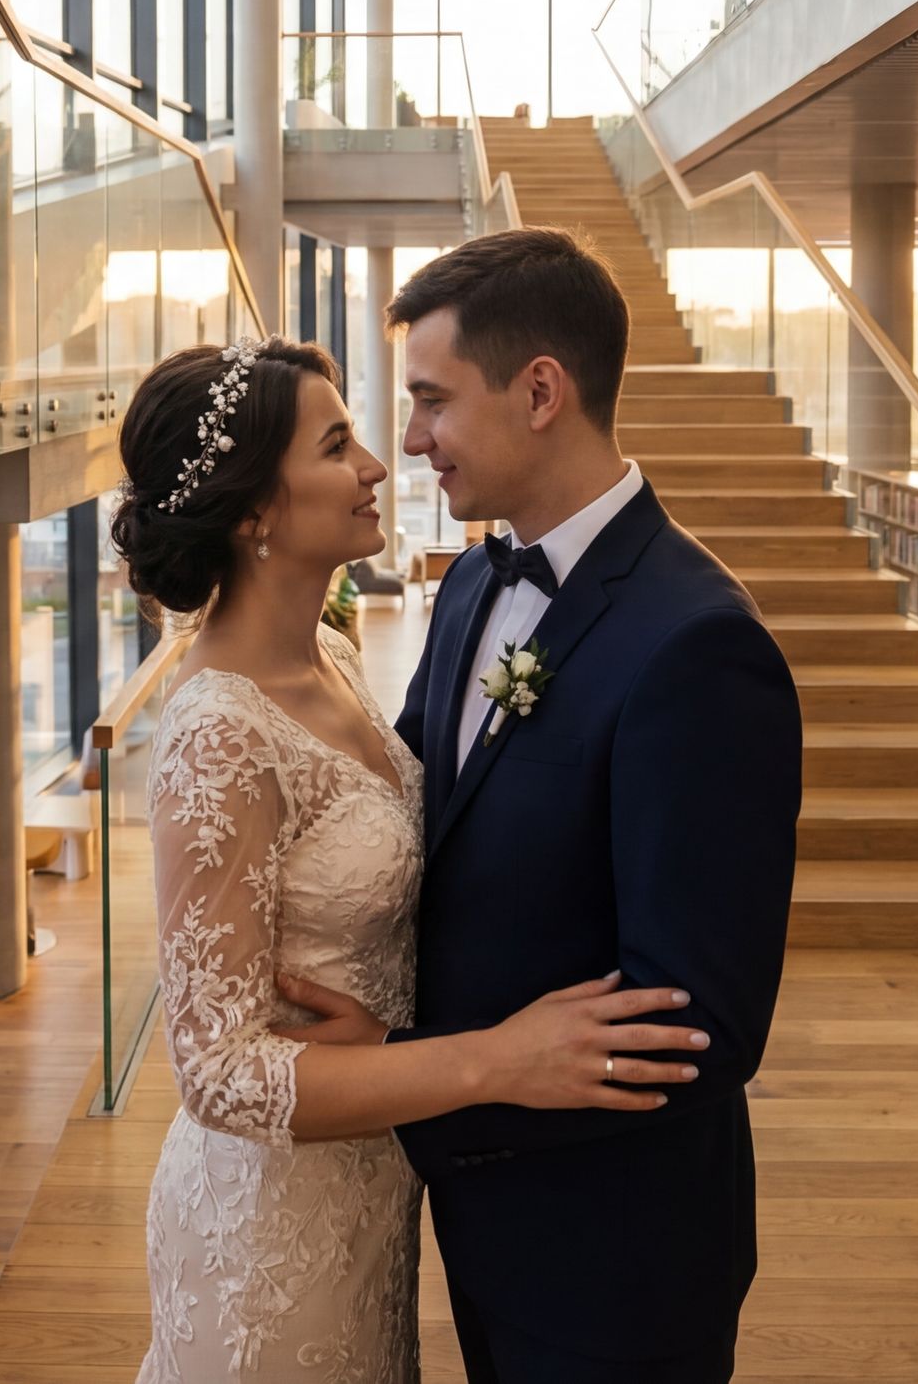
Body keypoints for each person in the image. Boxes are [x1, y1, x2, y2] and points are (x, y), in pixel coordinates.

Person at [114, 334, 713, 1383]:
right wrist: (494, 1058)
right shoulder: (217, 735)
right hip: (267, 1228)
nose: (378, 464)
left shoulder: (335, 660)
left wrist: (403, 1041)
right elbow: (216, 1075)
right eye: (338, 444)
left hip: (371, 1184)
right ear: (256, 511)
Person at [341, 226, 806, 1381]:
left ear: (540, 389)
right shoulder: (467, 590)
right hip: (483, 1223)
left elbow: (695, 1026)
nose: (410, 440)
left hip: (618, 1254)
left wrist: (436, 1085)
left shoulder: (697, 646)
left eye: (431, 400)